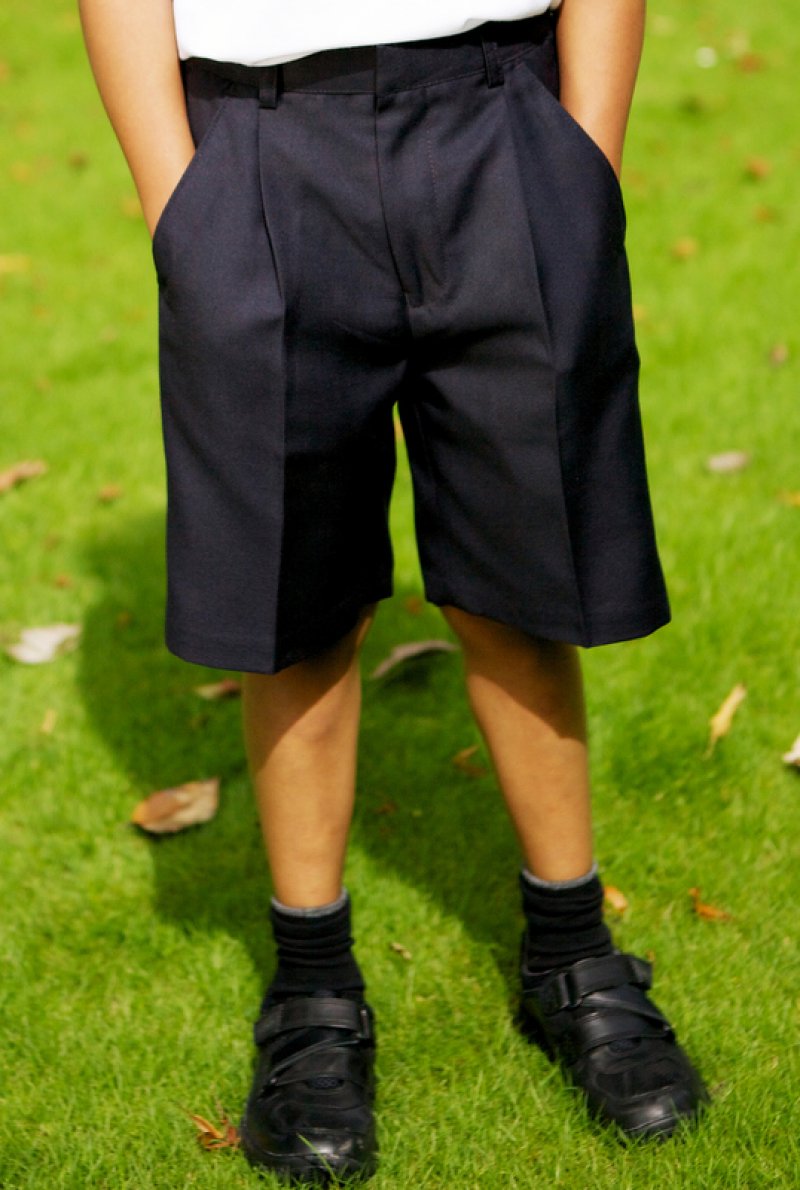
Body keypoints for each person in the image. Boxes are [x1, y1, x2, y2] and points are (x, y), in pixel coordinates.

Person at [79, 0, 708, 1181]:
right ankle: (311, 993)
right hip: (257, 146)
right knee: (296, 605)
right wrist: (181, 207)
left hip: (500, 119)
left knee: (523, 578)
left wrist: (582, 166)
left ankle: (571, 954)